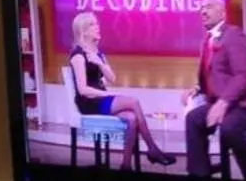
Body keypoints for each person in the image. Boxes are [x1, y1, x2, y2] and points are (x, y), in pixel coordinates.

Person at [68, 13, 175, 169]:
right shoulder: (78, 55)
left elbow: (112, 78)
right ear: (83, 31)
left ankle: (126, 166)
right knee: (134, 102)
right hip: (89, 103)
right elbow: (83, 90)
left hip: (100, 100)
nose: (98, 27)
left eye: (97, 24)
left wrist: (100, 63)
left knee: (131, 119)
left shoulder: (97, 53)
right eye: (92, 25)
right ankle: (152, 149)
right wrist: (106, 94)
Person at [184, 0, 246, 181]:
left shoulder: (234, 34)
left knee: (229, 127)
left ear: (222, 13)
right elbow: (216, 74)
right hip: (227, 103)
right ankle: (200, 175)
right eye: (201, 8)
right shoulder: (206, 40)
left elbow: (243, 75)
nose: (203, 11)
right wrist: (198, 88)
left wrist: (223, 102)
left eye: (208, 7)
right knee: (193, 119)